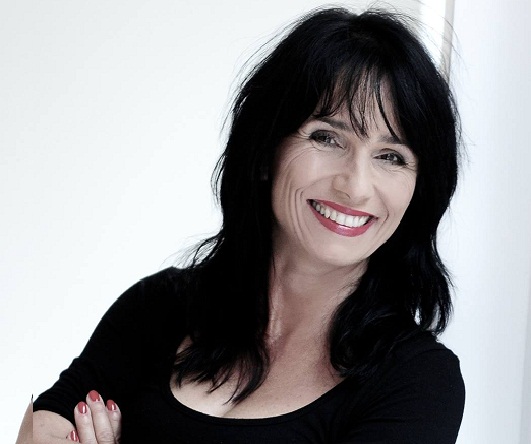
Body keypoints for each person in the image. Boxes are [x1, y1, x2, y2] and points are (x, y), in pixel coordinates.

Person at [26, 6, 465, 443]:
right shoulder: (158, 307)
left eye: (391, 157)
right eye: (327, 137)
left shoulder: (418, 382)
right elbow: (43, 424)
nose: (355, 187)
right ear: (266, 149)